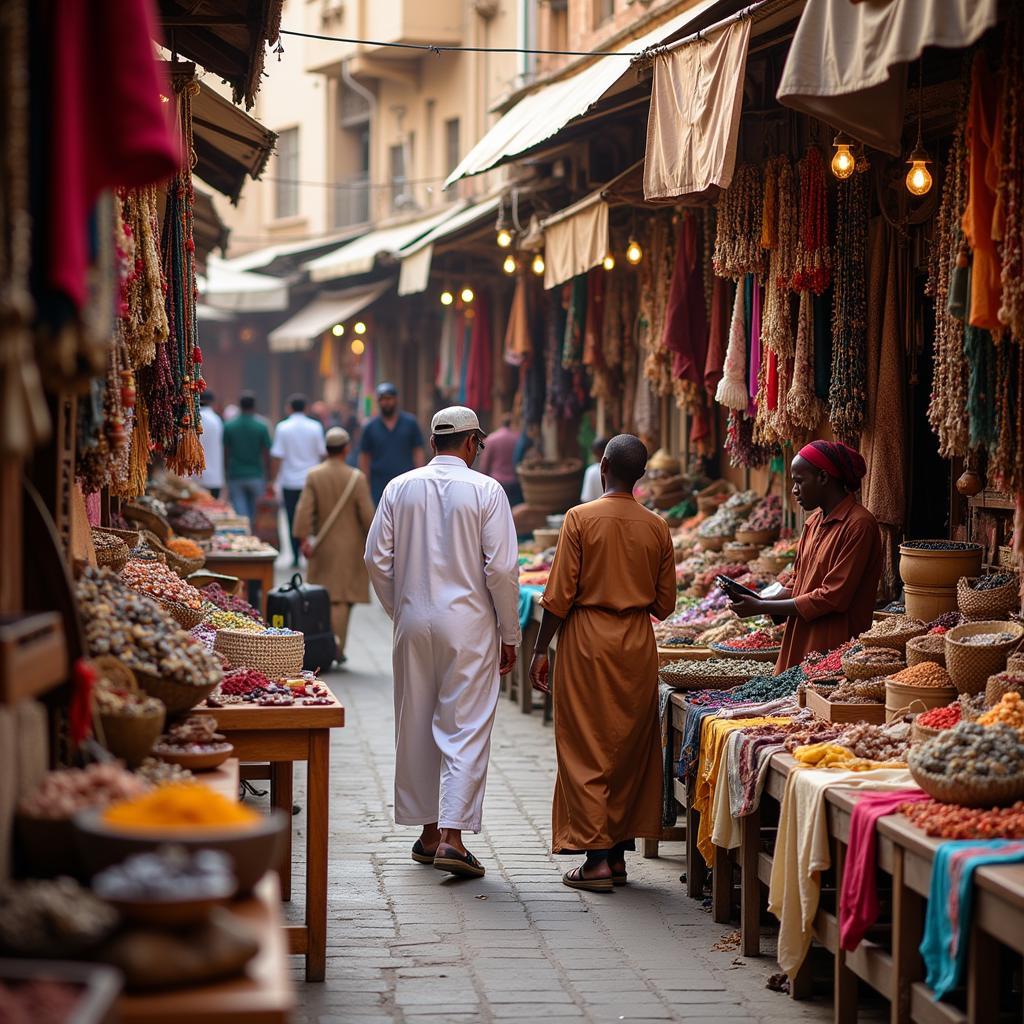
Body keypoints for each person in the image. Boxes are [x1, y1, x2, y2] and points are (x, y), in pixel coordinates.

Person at [365, 405, 520, 880]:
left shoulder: (398, 487)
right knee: (465, 724)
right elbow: (501, 570)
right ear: (473, 443)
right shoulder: (487, 490)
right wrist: (509, 634)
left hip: (412, 622)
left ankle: (430, 831)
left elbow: (376, 559)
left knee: (415, 722)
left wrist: (401, 609)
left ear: (433, 442)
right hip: (469, 626)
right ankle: (452, 837)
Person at [529, 434, 676, 893]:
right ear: (642, 475)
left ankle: (594, 861)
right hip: (635, 642)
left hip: (586, 640)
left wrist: (539, 649)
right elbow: (666, 604)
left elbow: (558, 596)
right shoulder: (657, 526)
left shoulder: (579, 518)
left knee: (585, 744)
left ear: (603, 465)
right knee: (626, 746)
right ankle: (614, 856)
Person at [728, 440, 882, 672]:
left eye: (800, 481)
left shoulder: (859, 525)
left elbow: (833, 597)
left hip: (834, 646)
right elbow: (798, 581)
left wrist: (760, 606)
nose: (794, 489)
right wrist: (759, 599)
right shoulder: (812, 523)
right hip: (800, 639)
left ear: (823, 477)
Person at [293, 428, 374, 665]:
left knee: (321, 598)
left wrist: (303, 539)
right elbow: (368, 515)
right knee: (342, 599)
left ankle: (322, 645)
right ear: (347, 448)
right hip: (349, 548)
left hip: (323, 546)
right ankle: (336, 648)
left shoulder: (314, 475)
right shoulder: (356, 477)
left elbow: (303, 511)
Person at [271, 394, 328, 567]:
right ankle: (310, 551)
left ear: (289, 408)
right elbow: (322, 452)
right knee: (312, 517)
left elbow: (277, 456)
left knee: (291, 518)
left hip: (289, 481)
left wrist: (273, 479)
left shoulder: (283, 427)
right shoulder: (315, 427)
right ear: (306, 408)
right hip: (310, 480)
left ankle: (295, 555)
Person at [359, 383, 425, 505]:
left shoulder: (410, 423)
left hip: (406, 482)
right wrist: (365, 483)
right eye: (383, 399)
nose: (386, 402)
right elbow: (365, 457)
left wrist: (420, 478)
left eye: (389, 398)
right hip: (378, 485)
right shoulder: (370, 427)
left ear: (396, 399)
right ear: (378, 402)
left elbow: (418, 452)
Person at [224, 391, 273, 523]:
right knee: (256, 512)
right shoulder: (262, 426)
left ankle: (245, 538)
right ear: (254, 406)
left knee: (241, 513)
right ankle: (253, 538)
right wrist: (269, 477)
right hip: (256, 474)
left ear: (239, 405)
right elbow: (267, 453)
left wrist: (226, 473)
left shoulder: (229, 426)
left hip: (236, 474)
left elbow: (226, 452)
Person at [476, 413, 522, 505]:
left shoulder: (492, 439)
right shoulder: (517, 438)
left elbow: (484, 464)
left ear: (500, 423)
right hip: (514, 482)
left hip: (497, 482)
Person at [195, 391, 224, 498]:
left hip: (194, 476)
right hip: (214, 476)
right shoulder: (217, 420)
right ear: (212, 402)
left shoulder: (193, 419)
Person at [580, 436, 609, 503]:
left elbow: (586, 499)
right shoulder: (617, 470)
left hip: (596, 511)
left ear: (594, 453)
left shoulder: (591, 472)